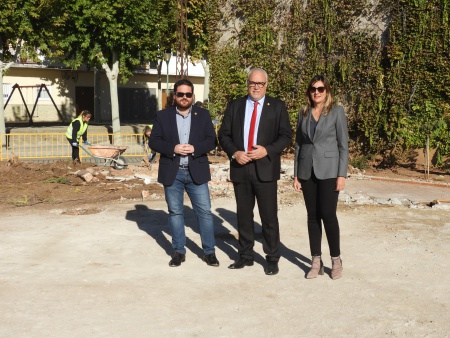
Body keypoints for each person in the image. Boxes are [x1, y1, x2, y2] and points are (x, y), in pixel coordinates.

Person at [218, 68, 292, 275]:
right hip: (241, 169)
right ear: (247, 83)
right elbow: (223, 135)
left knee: (269, 217)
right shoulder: (235, 106)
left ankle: (272, 257)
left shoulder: (277, 107)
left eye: (260, 83)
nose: (256, 87)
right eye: (253, 83)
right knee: (243, 216)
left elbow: (286, 136)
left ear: (266, 85)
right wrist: (234, 153)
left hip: (265, 169)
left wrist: (267, 151)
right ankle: (245, 255)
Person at [149, 78, 219, 267]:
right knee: (175, 212)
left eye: (188, 94)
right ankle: (179, 251)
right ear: (174, 96)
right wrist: (173, 148)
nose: (185, 97)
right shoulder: (163, 116)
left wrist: (195, 148)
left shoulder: (203, 115)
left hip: (196, 170)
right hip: (173, 172)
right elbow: (153, 141)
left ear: (192, 95)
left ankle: (209, 252)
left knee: (204, 212)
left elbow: (212, 140)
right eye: (181, 94)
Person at [292, 75, 349, 280]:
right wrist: (296, 174)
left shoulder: (337, 112)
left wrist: (341, 174)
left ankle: (336, 259)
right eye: (313, 89)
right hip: (307, 171)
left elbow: (343, 146)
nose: (316, 92)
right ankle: (316, 260)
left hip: (329, 171)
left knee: (328, 215)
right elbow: (299, 145)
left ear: (327, 91)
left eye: (320, 89)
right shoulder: (303, 112)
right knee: (312, 217)